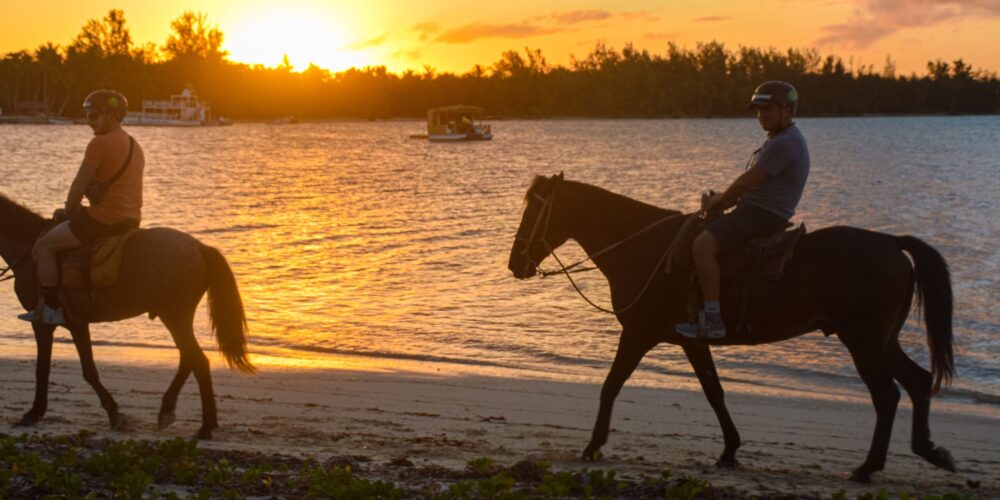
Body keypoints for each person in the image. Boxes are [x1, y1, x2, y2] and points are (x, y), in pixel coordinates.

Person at [675, 81, 810, 340]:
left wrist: (721, 200)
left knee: (702, 245)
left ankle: (713, 320)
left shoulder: (785, 143)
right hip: (757, 208)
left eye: (768, 109)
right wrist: (723, 200)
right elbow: (754, 185)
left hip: (761, 214)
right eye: (758, 110)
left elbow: (750, 180)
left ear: (787, 111)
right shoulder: (780, 139)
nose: (761, 115)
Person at [19, 89, 145, 325]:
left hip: (103, 219)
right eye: (88, 116)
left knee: (45, 246)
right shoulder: (134, 144)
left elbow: (79, 185)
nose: (90, 122)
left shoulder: (100, 143)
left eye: (93, 116)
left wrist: (68, 210)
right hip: (131, 219)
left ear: (109, 115)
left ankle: (52, 308)